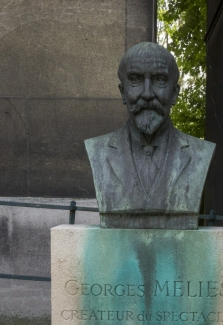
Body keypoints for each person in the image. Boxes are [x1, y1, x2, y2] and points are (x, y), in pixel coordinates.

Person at [85, 42, 215, 229]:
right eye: (135, 79)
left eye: (160, 80)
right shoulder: (98, 150)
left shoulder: (200, 153)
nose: (147, 94)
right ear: (123, 92)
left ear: (175, 94)